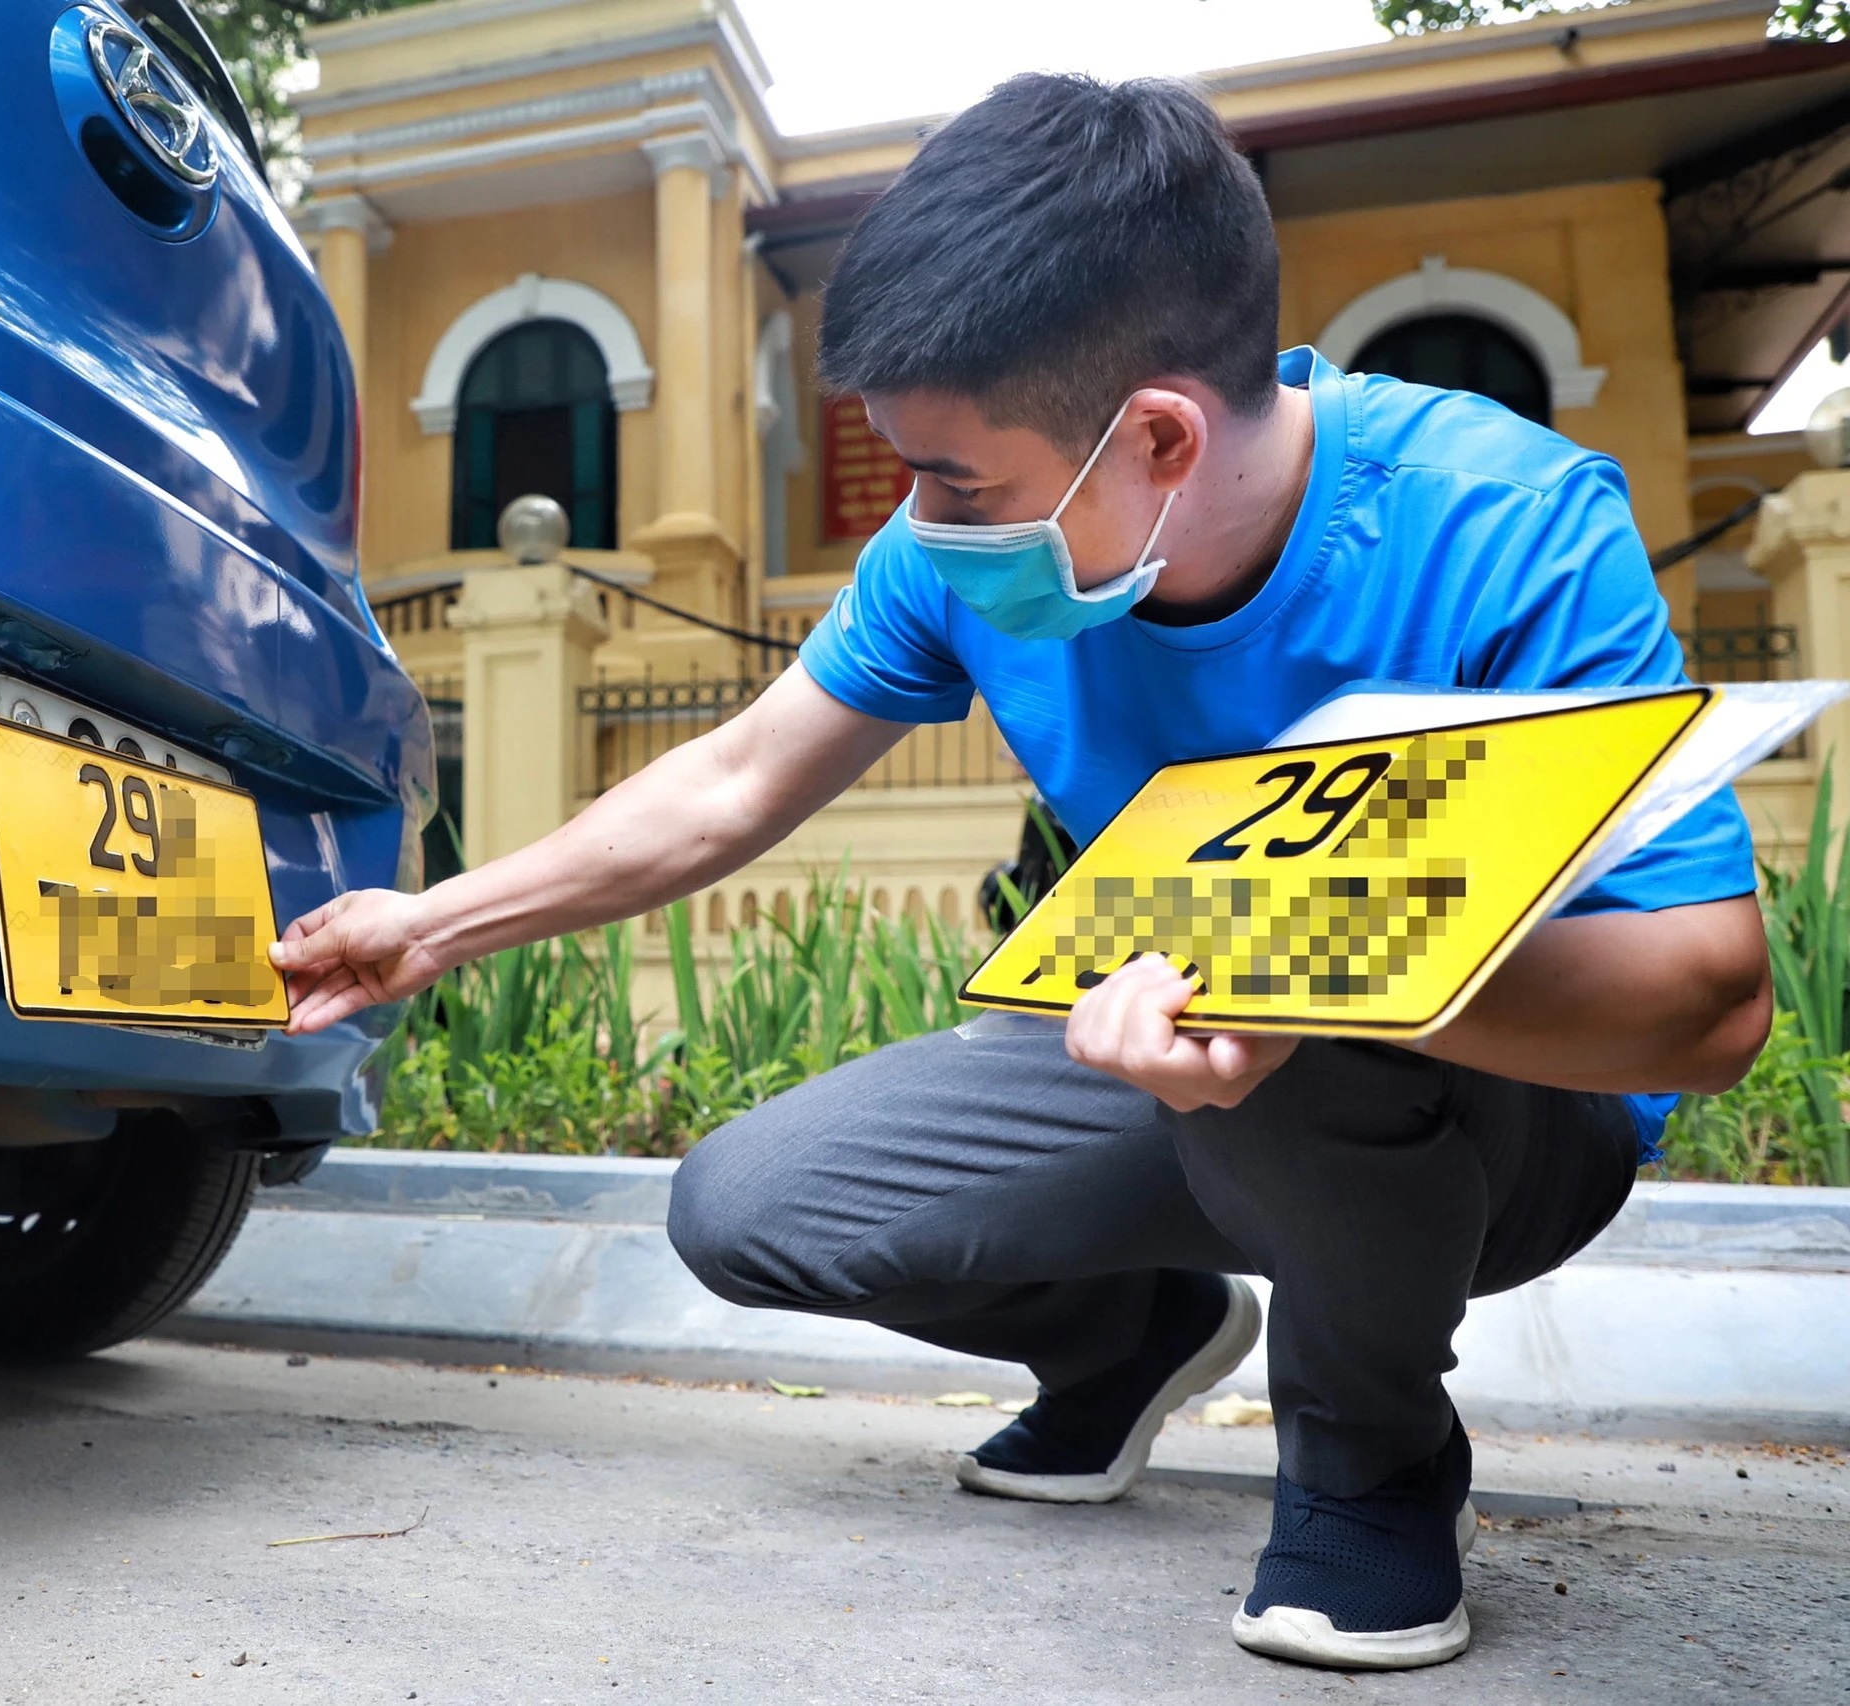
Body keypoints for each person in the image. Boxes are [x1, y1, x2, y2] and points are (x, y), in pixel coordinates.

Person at [269, 72, 1769, 1672]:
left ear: (1161, 438)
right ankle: (1136, 1338)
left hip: (1504, 1122)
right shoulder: (957, 559)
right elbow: (731, 781)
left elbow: (1707, 995)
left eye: (958, 480)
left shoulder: (1501, 520)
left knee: (1294, 994)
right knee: (751, 1206)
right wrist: (431, 921)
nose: (918, 521)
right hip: (1177, 1048)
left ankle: (1372, 1460)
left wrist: (1343, 968)